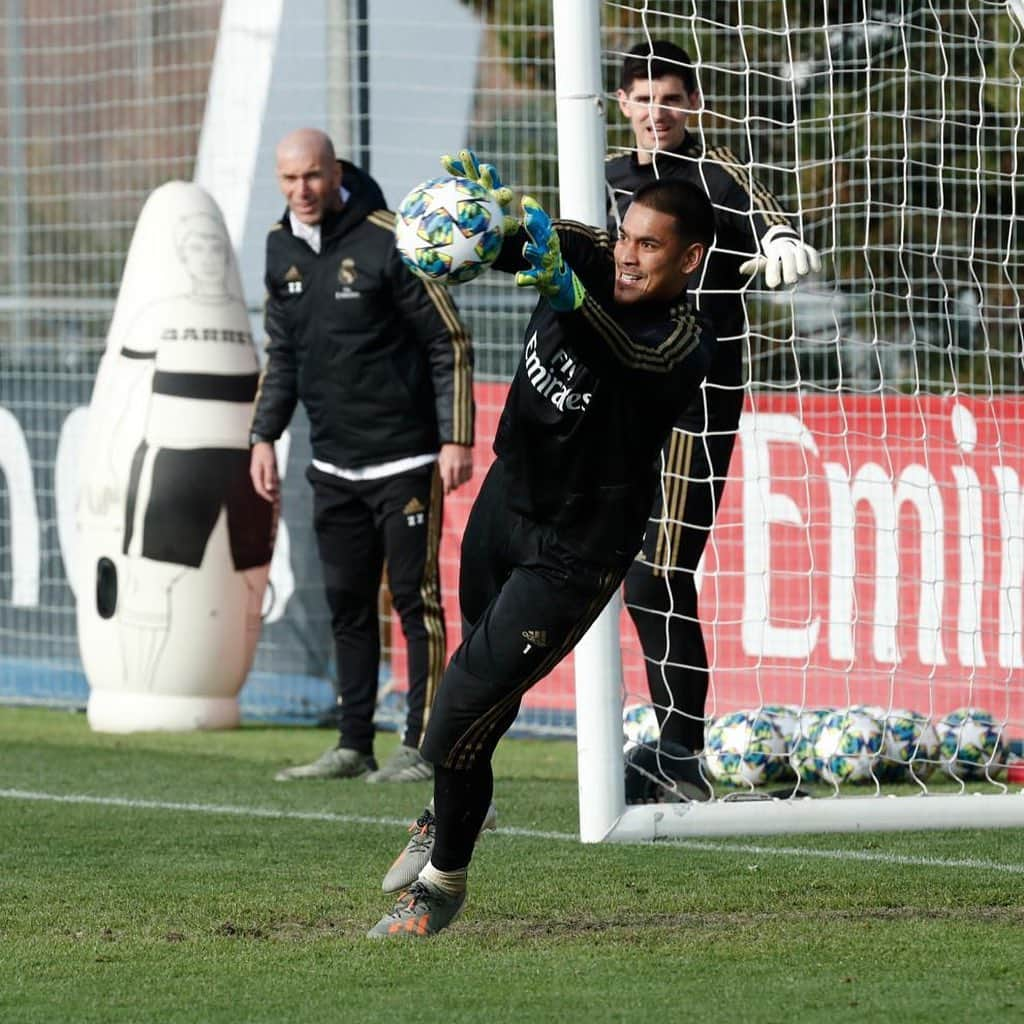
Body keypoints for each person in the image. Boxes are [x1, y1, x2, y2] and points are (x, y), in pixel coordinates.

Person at [367, 150, 717, 938]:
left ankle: (442, 881)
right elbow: (521, 242)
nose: (627, 254)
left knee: (454, 715)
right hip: (506, 500)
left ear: (690, 258)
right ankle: (453, 812)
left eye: (651, 246)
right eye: (627, 237)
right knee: (475, 691)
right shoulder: (588, 250)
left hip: (577, 549)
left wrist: (564, 290)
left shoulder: (685, 341)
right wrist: (482, 222)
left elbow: (622, 355)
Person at [607, 41, 820, 767]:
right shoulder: (601, 178)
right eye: (642, 98)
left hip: (695, 397)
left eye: (670, 97)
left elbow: (769, 221)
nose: (656, 111)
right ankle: (670, 749)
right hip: (617, 398)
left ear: (690, 104)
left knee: (658, 574)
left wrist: (783, 240)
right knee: (623, 570)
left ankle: (679, 752)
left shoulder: (714, 174)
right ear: (622, 105)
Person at [250, 128, 475, 784]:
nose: (303, 192)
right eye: (290, 180)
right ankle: (353, 744)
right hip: (332, 465)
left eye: (313, 177)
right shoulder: (278, 246)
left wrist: (455, 436)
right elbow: (282, 353)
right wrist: (262, 435)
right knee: (346, 603)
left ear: (335, 170)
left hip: (403, 460)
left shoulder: (389, 237)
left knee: (415, 599)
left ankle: (423, 746)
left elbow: (449, 338)